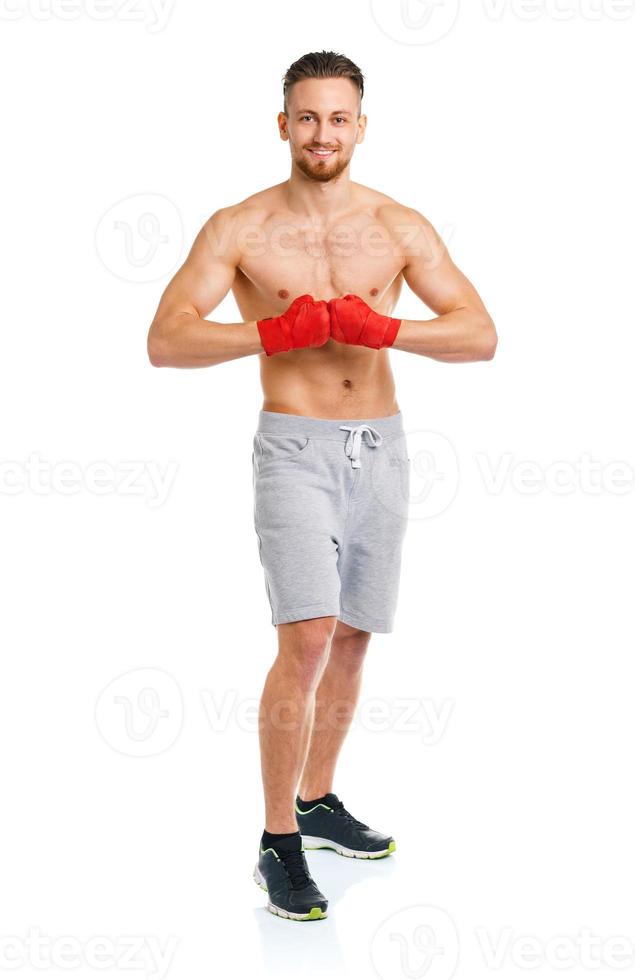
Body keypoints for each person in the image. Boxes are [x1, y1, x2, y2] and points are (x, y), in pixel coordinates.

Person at [147, 50, 497, 921]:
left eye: (337, 118)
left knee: (349, 638)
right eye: (306, 117)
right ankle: (277, 843)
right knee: (304, 637)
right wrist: (269, 338)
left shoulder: (398, 226)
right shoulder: (239, 227)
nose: (322, 133)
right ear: (282, 125)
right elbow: (166, 339)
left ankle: (317, 799)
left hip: (380, 447)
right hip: (294, 447)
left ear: (360, 126)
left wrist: (388, 328)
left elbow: (479, 334)